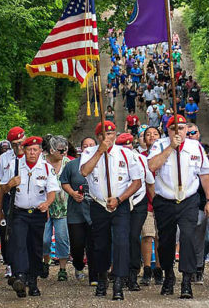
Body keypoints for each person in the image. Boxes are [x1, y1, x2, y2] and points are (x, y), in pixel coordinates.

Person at [147, 115, 209, 299]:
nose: (178, 132)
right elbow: (151, 166)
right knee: (166, 240)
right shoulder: (159, 145)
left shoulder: (196, 147)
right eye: (173, 128)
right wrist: (171, 147)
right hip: (165, 200)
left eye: (181, 128)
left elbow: (204, 175)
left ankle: (187, 279)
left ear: (187, 129)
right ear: (167, 130)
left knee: (188, 236)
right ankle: (168, 274)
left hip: (188, 199)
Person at [80, 121, 143, 300]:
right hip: (99, 204)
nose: (109, 138)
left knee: (122, 242)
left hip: (120, 204)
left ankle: (118, 281)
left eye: (112, 134)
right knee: (100, 244)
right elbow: (84, 171)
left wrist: (119, 199)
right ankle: (101, 278)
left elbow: (137, 182)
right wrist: (100, 151)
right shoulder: (89, 152)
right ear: (98, 136)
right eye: (104, 135)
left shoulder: (126, 153)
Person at [0, 136, 59, 298]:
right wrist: (10, 184)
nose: (32, 152)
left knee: (35, 247)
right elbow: (2, 188)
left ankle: (33, 281)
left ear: (40, 151)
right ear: (23, 150)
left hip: (38, 214)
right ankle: (20, 277)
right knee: (19, 243)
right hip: (19, 212)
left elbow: (52, 192)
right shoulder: (15, 166)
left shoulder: (46, 168)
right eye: (29, 149)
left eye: (35, 149)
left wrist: (47, 203)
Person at [187, 124, 209, 287]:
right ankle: (198, 268)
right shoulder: (182, 156)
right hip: (194, 203)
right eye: (188, 133)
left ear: (199, 134)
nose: (191, 135)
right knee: (198, 239)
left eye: (194, 132)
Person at [115, 133, 150, 292]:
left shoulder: (141, 159)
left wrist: (154, 202)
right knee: (121, 237)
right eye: (123, 145)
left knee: (133, 235)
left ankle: (133, 273)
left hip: (138, 201)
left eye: (129, 145)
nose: (127, 148)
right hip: (119, 201)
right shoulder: (113, 159)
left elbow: (150, 182)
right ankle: (119, 273)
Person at [60, 137, 98, 285]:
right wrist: (72, 193)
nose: (88, 147)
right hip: (76, 211)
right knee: (77, 244)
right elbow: (64, 181)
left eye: (91, 145)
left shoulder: (101, 163)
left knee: (94, 244)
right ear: (80, 148)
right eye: (85, 145)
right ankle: (78, 264)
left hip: (95, 210)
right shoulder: (72, 165)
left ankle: (94, 276)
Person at [0, 127, 27, 282]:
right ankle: (13, 267)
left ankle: (25, 270)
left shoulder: (33, 155)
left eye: (20, 143)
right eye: (14, 144)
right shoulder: (5, 158)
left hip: (28, 200)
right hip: (10, 198)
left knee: (24, 236)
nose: (18, 147)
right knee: (8, 235)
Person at [41, 135, 71, 282]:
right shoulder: (42, 162)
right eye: (61, 150)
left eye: (65, 149)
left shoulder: (68, 163)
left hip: (63, 207)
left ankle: (63, 268)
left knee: (62, 238)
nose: (64, 152)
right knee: (44, 239)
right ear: (52, 150)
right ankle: (45, 262)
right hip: (43, 206)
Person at [138, 127, 163, 286]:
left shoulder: (167, 154)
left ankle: (159, 269)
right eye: (148, 134)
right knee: (147, 235)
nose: (151, 136)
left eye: (155, 134)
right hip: (145, 202)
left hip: (164, 201)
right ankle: (147, 268)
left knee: (160, 236)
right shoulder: (140, 157)